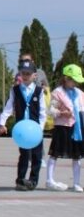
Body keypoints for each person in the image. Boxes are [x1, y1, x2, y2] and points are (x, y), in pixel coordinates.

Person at [0, 59, 47, 191]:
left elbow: (43, 112)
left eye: (28, 73)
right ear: (20, 74)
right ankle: (20, 181)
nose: (25, 76)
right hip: (22, 130)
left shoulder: (39, 91)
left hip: (35, 129)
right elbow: (8, 108)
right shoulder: (15, 90)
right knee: (24, 155)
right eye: (23, 73)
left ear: (34, 75)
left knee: (37, 156)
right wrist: (2, 123)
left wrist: (40, 129)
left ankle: (33, 181)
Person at [45, 64, 84, 192]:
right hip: (62, 127)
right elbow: (50, 110)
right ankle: (49, 180)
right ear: (66, 79)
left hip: (77, 127)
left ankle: (77, 183)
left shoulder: (79, 93)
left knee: (77, 155)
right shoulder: (58, 92)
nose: (76, 83)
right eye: (74, 80)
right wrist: (61, 113)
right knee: (55, 152)